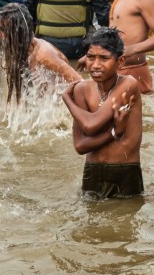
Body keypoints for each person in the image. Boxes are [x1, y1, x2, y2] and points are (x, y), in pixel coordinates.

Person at [61, 27, 144, 199]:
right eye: (91, 57)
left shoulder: (128, 85)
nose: (96, 65)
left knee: (124, 221)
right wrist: (114, 133)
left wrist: (67, 100)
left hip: (125, 170)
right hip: (92, 170)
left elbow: (90, 126)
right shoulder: (82, 89)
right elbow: (80, 146)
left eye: (104, 58)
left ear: (120, 62)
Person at [0, 2, 81, 105]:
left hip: (57, 106)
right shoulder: (15, 51)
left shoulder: (43, 54)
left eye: (2, 29)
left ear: (19, 31)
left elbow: (79, 82)